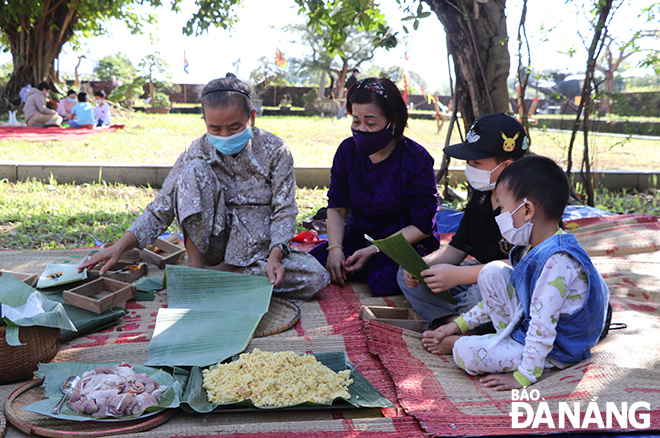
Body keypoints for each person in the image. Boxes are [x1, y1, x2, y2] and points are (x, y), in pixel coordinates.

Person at [80, 75, 330, 301]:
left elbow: (284, 211)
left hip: (260, 251)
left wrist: (276, 257)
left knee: (315, 277)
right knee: (193, 171)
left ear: (252, 117)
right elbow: (161, 207)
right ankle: (197, 271)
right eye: (215, 128)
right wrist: (119, 246)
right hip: (214, 246)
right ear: (205, 122)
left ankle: (219, 276)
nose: (225, 135)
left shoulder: (276, 151)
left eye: (234, 127)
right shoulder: (195, 151)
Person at [422, 156, 610, 391]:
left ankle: (523, 357)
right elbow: (515, 296)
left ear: (527, 210)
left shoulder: (556, 262)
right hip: (529, 325)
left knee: (464, 353)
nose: (499, 214)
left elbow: (543, 327)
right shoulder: (531, 248)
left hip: (559, 348)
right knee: (492, 271)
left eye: (502, 207)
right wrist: (458, 326)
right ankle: (502, 342)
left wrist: (522, 377)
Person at [310, 77, 439, 297]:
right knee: (310, 269)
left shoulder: (415, 159)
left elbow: (422, 225)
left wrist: (374, 250)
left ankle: (372, 267)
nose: (361, 130)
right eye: (355, 122)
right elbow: (337, 207)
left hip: (403, 242)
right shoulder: (347, 151)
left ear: (394, 120)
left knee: (384, 281)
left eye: (370, 123)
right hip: (358, 236)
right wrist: (335, 250)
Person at [398, 113, 528, 329]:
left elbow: (524, 265)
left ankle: (461, 323)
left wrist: (460, 275)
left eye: (476, 162)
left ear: (506, 166)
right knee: (407, 274)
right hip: (475, 276)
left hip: (511, 283)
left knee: (479, 292)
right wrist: (424, 266)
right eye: (468, 161)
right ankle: (454, 322)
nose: (470, 167)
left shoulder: (528, 205)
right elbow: (456, 249)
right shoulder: (481, 195)